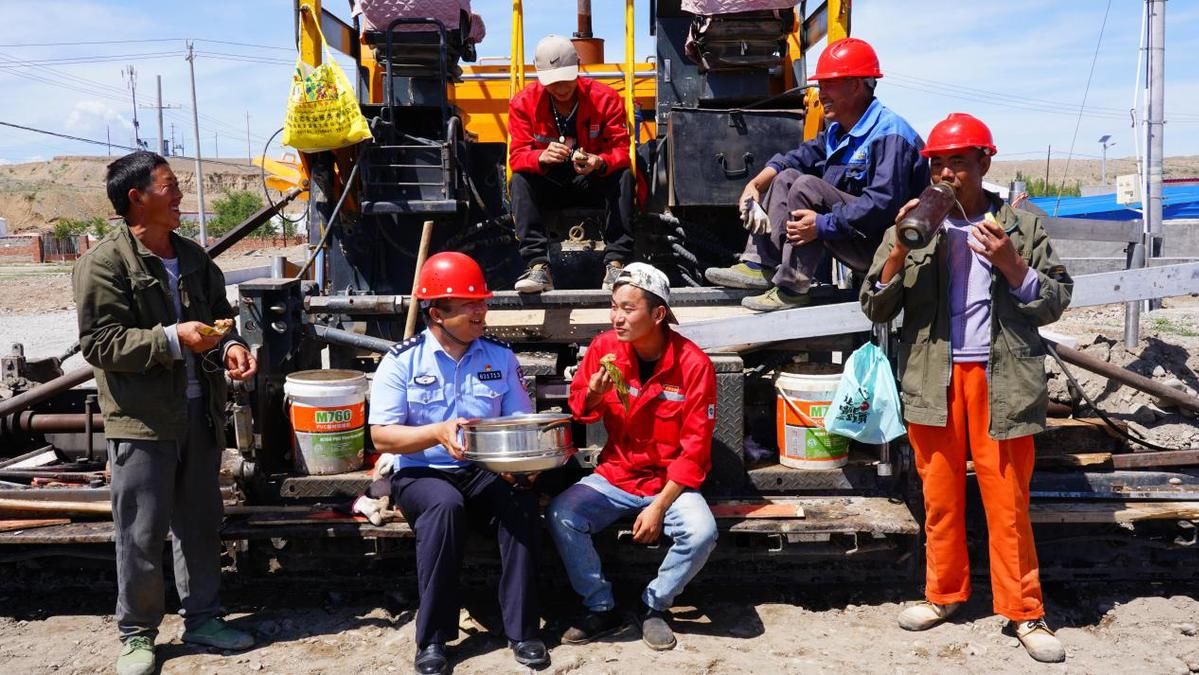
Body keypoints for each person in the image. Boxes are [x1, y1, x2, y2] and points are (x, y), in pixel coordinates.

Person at [859, 114, 1073, 663]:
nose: (947, 172)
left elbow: (1054, 301)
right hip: (933, 378)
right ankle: (943, 595)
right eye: (937, 162)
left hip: (1001, 379)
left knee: (1007, 502)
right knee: (941, 498)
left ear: (984, 162)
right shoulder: (912, 224)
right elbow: (875, 305)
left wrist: (1011, 263)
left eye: (958, 160)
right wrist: (901, 250)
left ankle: (1025, 612)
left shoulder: (1022, 226)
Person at [73, 151, 258, 675]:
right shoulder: (105, 263)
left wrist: (231, 347)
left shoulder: (194, 258)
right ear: (137, 198)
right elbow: (100, 344)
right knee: (140, 533)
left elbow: (220, 321)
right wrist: (172, 339)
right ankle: (137, 634)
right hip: (143, 421)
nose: (179, 196)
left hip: (200, 418)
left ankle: (203, 619)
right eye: (170, 186)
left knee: (200, 525)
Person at [367, 251, 548, 675]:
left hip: (485, 469)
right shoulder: (402, 360)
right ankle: (432, 639)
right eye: (470, 305)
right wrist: (435, 432)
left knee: (520, 503)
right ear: (437, 314)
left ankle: (523, 630)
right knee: (444, 507)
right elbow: (381, 436)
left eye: (482, 302)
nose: (481, 311)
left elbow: (520, 421)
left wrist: (525, 462)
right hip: (421, 472)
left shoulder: (500, 357)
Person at [547, 263, 718, 651]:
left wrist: (659, 507)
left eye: (628, 308)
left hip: (669, 482)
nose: (616, 317)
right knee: (562, 514)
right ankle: (601, 606)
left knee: (702, 532)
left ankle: (653, 605)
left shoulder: (693, 365)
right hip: (617, 473)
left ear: (658, 315)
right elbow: (580, 410)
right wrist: (591, 393)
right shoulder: (604, 348)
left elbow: (695, 450)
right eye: (614, 307)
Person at [705, 37, 928, 312]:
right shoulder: (837, 132)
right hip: (853, 237)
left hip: (889, 251)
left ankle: (793, 287)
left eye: (828, 84)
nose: (821, 94)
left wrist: (822, 225)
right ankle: (760, 266)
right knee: (786, 178)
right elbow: (794, 159)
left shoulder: (890, 133)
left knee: (806, 186)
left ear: (856, 84)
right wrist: (755, 183)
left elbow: (882, 205)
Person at [508, 34, 636, 293]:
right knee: (519, 179)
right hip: (551, 183)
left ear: (577, 66)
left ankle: (615, 263)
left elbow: (621, 150)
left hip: (592, 181)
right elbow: (517, 155)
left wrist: (599, 161)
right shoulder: (523, 103)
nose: (561, 88)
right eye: (553, 82)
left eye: (566, 79)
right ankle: (538, 267)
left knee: (624, 175)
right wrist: (539, 157)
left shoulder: (606, 98)